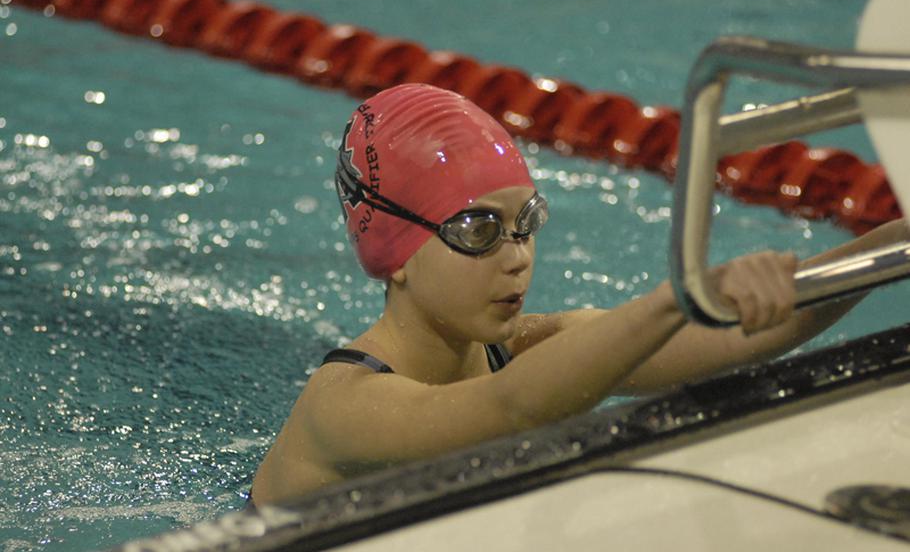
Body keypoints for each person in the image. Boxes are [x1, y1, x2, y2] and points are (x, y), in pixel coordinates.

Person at [251, 83, 908, 505]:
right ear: (395, 252)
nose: (517, 258)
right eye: (479, 230)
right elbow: (512, 410)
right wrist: (677, 295)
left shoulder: (525, 345)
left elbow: (737, 338)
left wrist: (893, 245)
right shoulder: (342, 407)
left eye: (526, 223)